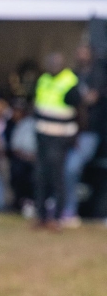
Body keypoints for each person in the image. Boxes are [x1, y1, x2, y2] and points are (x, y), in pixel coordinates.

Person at [33, 52, 81, 230]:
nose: (52, 65)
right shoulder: (43, 80)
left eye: (56, 63)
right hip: (42, 135)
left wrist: (74, 136)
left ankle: (58, 217)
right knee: (40, 176)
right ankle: (41, 216)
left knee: (56, 177)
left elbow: (80, 110)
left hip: (60, 137)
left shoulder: (69, 81)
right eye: (50, 62)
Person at [61, 43, 104, 227]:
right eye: (79, 52)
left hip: (90, 133)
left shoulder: (98, 75)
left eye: (84, 52)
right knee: (63, 168)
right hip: (70, 131)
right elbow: (67, 98)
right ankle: (66, 210)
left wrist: (82, 100)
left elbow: (91, 98)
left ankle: (70, 209)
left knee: (72, 167)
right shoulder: (73, 75)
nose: (81, 56)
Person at [7, 98, 38, 218]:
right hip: (22, 158)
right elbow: (15, 146)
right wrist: (25, 156)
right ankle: (20, 202)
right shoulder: (24, 124)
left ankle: (35, 203)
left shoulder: (44, 126)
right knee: (18, 170)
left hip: (38, 160)